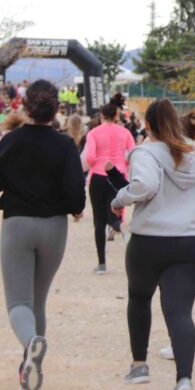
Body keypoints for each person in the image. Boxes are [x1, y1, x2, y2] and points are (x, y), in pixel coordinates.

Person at [0, 79, 86, 390]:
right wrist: (73, 207)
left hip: (18, 225)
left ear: (26, 107)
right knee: (38, 301)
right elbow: (76, 197)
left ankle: (30, 344)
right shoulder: (65, 144)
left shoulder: (12, 141)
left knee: (18, 303)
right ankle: (31, 367)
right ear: (56, 108)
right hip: (54, 227)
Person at [112, 98, 195, 390]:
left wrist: (120, 198)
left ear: (147, 126)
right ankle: (184, 379)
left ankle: (139, 366)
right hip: (192, 242)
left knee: (139, 297)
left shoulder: (144, 153)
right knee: (179, 311)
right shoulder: (194, 157)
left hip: (150, 240)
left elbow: (144, 185)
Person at [83, 95, 135, 274]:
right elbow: (132, 154)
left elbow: (89, 157)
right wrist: (123, 166)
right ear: (116, 116)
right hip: (118, 174)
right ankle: (119, 226)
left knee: (99, 220)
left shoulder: (93, 133)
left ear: (101, 116)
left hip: (98, 175)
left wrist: (95, 164)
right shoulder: (125, 132)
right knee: (115, 212)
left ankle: (102, 264)